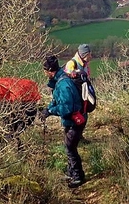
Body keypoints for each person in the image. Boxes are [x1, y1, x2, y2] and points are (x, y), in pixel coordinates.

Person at [40, 55, 87, 188]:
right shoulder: (59, 79)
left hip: (76, 120)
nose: (44, 74)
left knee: (70, 148)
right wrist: (48, 109)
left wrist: (50, 112)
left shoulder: (63, 84)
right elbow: (56, 100)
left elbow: (66, 108)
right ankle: (72, 172)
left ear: (50, 71)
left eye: (45, 71)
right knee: (69, 146)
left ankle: (78, 177)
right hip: (72, 120)